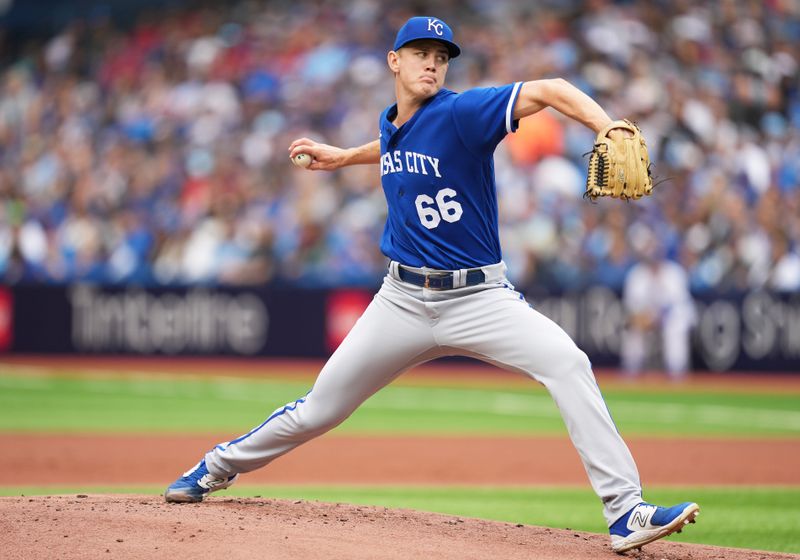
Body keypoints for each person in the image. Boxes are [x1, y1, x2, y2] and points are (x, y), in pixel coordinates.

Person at [164, 16, 699, 553]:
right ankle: (216, 466)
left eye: (441, 57)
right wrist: (345, 157)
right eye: (421, 53)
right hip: (400, 301)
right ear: (394, 61)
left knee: (568, 362)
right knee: (319, 409)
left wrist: (606, 125)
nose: (433, 64)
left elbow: (552, 90)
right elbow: (394, 143)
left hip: (480, 298)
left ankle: (626, 510)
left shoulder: (464, 112)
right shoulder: (394, 122)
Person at [622, 231, 696, 379]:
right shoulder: (637, 274)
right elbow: (632, 307)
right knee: (634, 329)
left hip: (675, 316)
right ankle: (631, 374)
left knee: (674, 329)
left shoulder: (674, 272)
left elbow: (678, 304)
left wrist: (657, 317)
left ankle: (677, 374)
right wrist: (643, 318)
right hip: (648, 317)